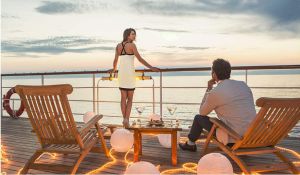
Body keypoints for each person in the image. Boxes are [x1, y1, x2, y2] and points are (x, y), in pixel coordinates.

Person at [179, 58, 256, 152]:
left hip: (233, 139)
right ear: (229, 72)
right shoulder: (243, 85)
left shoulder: (216, 92)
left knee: (199, 118)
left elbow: (202, 112)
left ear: (214, 74)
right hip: (252, 136)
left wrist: (208, 89)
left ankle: (191, 144)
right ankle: (190, 143)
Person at [110, 28, 160, 128]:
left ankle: (124, 119)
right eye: (133, 34)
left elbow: (115, 60)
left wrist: (114, 69)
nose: (134, 36)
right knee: (130, 98)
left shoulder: (118, 46)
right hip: (129, 74)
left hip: (122, 74)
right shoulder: (132, 45)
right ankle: (126, 119)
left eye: (134, 34)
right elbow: (140, 59)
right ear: (127, 35)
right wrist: (151, 67)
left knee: (123, 98)